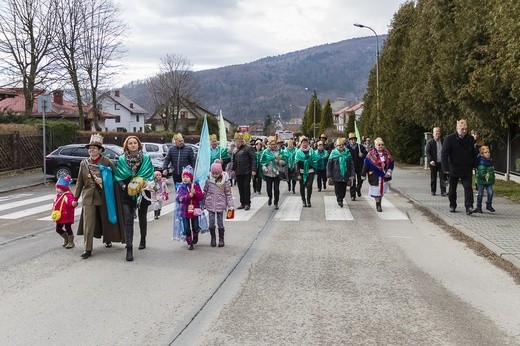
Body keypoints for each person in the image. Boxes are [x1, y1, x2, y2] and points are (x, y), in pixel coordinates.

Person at [73, 134, 125, 259]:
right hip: (88, 197)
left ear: (100, 150)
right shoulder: (84, 163)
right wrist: (75, 198)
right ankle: (88, 248)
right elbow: (79, 182)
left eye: (94, 148)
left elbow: (115, 177)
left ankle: (108, 238)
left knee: (105, 220)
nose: (91, 150)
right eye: (90, 148)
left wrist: (103, 181)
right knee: (88, 224)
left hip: (104, 196)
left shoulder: (107, 162)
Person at [114, 136, 154, 261]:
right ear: (126, 146)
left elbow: (150, 173)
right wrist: (124, 186)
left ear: (138, 145)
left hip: (142, 192)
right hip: (127, 193)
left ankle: (143, 238)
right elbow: (118, 177)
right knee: (128, 220)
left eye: (134, 143)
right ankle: (129, 248)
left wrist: (145, 184)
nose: (132, 145)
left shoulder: (146, 158)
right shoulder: (121, 159)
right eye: (130, 143)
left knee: (142, 217)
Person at [441, 119, 479, 214]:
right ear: (457, 129)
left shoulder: (470, 139)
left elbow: (474, 153)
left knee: (468, 188)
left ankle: (469, 206)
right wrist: (445, 168)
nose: (464, 131)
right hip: (453, 167)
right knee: (452, 188)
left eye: (466, 129)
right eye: (462, 129)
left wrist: (475, 165)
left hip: (466, 168)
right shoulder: (449, 139)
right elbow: (444, 154)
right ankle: (452, 205)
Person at [204, 160, 234, 247]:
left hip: (220, 205)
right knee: (211, 222)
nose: (215, 175)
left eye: (217, 174)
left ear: (220, 172)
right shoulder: (209, 180)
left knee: (220, 222)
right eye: (213, 173)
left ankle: (221, 239)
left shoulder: (225, 181)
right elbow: (205, 192)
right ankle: (213, 238)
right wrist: (202, 203)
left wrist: (230, 205)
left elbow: (228, 194)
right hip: (210, 204)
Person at [362, 137, 394, 212]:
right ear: (375, 145)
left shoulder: (387, 153)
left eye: (382, 145)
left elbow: (391, 163)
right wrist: (363, 174)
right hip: (374, 175)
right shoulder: (370, 154)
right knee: (376, 192)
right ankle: (378, 204)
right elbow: (366, 165)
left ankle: (379, 202)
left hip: (384, 175)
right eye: (379, 145)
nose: (381, 146)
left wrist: (389, 171)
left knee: (381, 191)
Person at [175, 166, 204, 250]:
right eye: (183, 177)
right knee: (186, 228)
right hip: (184, 211)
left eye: (187, 177)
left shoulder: (195, 186)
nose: (185, 179)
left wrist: (195, 194)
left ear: (191, 178)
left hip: (194, 210)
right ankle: (189, 242)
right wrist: (188, 196)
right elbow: (179, 198)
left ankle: (195, 234)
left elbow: (201, 197)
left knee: (195, 226)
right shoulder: (181, 187)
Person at [260, 136, 286, 210]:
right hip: (268, 173)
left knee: (276, 189)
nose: (273, 146)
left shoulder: (280, 152)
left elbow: (284, 161)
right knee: (269, 188)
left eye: (274, 144)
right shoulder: (265, 152)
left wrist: (279, 161)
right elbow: (262, 162)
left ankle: (276, 203)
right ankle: (270, 197)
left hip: (277, 173)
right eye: (272, 144)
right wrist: (264, 168)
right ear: (269, 145)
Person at [327, 138, 355, 207]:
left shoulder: (347, 153)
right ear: (336, 146)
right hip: (336, 174)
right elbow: (329, 165)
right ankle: (339, 199)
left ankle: (341, 197)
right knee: (337, 188)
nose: (341, 146)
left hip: (345, 174)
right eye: (339, 145)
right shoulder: (333, 153)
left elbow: (351, 164)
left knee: (343, 188)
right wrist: (329, 174)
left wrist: (352, 174)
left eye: (342, 145)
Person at [232, 133, 257, 210]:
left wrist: (253, 169)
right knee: (240, 187)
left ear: (242, 142)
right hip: (238, 172)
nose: (236, 143)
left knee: (246, 187)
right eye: (236, 141)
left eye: (238, 141)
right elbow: (234, 160)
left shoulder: (248, 148)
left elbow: (253, 159)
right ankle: (242, 202)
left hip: (246, 171)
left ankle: (247, 203)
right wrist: (233, 169)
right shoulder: (236, 150)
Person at [53, 175, 75, 249]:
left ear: (64, 188)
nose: (57, 189)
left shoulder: (68, 195)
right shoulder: (57, 196)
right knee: (58, 229)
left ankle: (71, 241)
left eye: (59, 188)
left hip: (67, 215)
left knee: (68, 228)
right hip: (59, 216)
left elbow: (71, 203)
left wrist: (73, 203)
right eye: (56, 187)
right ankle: (66, 238)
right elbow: (55, 205)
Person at [295, 136, 318, 207]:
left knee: (309, 185)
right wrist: (298, 173)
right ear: (301, 143)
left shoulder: (311, 151)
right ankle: (303, 200)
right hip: (301, 171)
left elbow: (315, 160)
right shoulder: (298, 152)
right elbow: (297, 163)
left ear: (308, 143)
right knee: (302, 186)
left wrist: (315, 172)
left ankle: (308, 200)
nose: (305, 144)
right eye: (303, 142)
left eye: (306, 142)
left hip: (310, 171)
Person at [425, 127, 447, 196]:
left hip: (441, 162)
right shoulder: (430, 142)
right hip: (433, 163)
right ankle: (433, 190)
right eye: (436, 132)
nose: (437, 133)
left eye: (438, 132)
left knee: (443, 177)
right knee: (433, 177)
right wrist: (430, 160)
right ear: (433, 134)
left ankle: (443, 191)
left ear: (440, 133)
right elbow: (427, 152)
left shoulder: (444, 141)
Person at [346, 132, 367, 200]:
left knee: (360, 180)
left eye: (354, 139)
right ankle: (353, 195)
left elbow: (366, 155)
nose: (353, 140)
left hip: (360, 166)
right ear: (349, 140)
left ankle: (358, 188)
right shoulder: (347, 148)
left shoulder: (360, 147)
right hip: (351, 167)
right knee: (352, 181)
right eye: (351, 139)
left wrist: (362, 155)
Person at [475, 146, 495, 213]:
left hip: (489, 180)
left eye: (488, 152)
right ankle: (479, 207)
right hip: (481, 181)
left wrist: (491, 177)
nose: (488, 154)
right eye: (485, 152)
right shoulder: (481, 161)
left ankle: (489, 205)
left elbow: (491, 171)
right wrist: (485, 175)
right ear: (482, 154)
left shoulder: (490, 161)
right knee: (480, 194)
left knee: (491, 193)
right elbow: (480, 172)